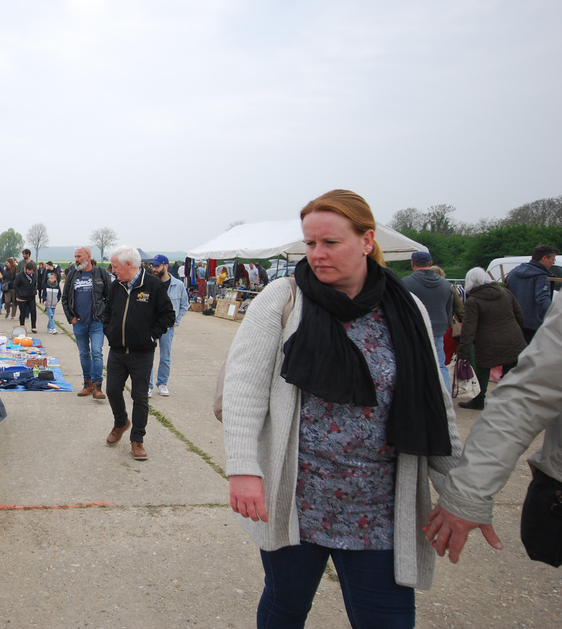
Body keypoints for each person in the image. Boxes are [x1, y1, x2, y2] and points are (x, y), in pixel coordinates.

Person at [224, 189, 461, 628]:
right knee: (285, 607)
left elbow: (435, 406)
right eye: (310, 243)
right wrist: (243, 468)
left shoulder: (406, 308)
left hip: (379, 509)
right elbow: (243, 390)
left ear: (367, 241)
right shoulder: (283, 298)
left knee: (388, 620)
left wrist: (460, 493)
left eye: (330, 242)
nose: (317, 254)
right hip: (296, 500)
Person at [424, 299, 562, 564]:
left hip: (482, 342)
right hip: (512, 342)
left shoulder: (474, 299)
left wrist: (465, 348)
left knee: (474, 371)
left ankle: (478, 399)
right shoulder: (503, 296)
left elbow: (527, 395)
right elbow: (528, 393)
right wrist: (468, 492)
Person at [102, 246, 175, 461]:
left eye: (115, 267)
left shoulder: (153, 285)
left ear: (128, 264)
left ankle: (137, 439)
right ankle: (121, 423)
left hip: (142, 353)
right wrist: (109, 330)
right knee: (112, 391)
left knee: (140, 396)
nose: (113, 271)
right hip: (117, 350)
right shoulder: (115, 286)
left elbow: (168, 315)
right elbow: (107, 312)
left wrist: (150, 337)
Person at [455, 267, 526, 410]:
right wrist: (517, 332)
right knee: (510, 372)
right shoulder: (505, 292)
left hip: (486, 342)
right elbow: (520, 315)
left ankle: (479, 400)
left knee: (482, 371)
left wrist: (463, 353)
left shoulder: (473, 301)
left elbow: (468, 330)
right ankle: (508, 400)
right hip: (513, 338)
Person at [61, 246, 111, 399]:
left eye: (79, 256)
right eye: (75, 256)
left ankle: (97, 386)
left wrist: (104, 316)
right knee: (84, 354)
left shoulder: (101, 273)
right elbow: (65, 298)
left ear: (88, 257)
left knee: (96, 352)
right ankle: (87, 384)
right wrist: (70, 317)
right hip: (79, 322)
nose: (76, 259)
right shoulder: (73, 275)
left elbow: (110, 297)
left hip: (96, 322)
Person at [402, 250, 454, 390]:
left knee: (416, 365)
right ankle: (445, 396)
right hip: (438, 330)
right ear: (430, 263)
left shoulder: (406, 283)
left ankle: (420, 396)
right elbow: (449, 309)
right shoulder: (445, 284)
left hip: (415, 331)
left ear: (412, 264)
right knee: (440, 365)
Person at [147, 255, 188, 398]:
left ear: (166, 266)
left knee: (165, 356)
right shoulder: (150, 283)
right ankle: (148, 385)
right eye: (153, 266)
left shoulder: (178, 285)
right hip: (151, 326)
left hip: (167, 327)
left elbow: (184, 305)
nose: (154, 269)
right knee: (148, 355)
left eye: (157, 266)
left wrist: (176, 321)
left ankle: (162, 383)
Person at [507, 243, 558, 343]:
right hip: (532, 325)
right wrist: (556, 313)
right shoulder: (542, 276)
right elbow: (543, 298)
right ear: (544, 258)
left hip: (514, 321)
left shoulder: (514, 272)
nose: (553, 262)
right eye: (552, 259)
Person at [12, 261, 39, 333]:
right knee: (23, 312)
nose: (30, 272)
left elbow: (35, 284)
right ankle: (22, 327)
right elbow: (15, 285)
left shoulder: (34, 275)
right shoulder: (20, 275)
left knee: (33, 311)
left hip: (31, 296)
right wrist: (20, 293)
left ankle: (33, 327)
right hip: (22, 297)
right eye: (28, 270)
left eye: (31, 270)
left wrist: (34, 291)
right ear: (26, 269)